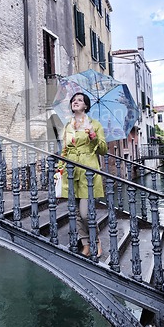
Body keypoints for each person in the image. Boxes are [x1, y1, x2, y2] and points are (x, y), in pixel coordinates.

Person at [56, 92, 108, 257]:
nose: (75, 102)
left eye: (79, 100)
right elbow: (64, 150)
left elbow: (103, 150)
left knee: (86, 213)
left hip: (88, 171)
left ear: (86, 105)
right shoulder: (67, 126)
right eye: (73, 100)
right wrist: (59, 169)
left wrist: (93, 136)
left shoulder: (95, 124)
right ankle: (85, 244)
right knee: (76, 213)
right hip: (71, 171)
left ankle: (96, 240)